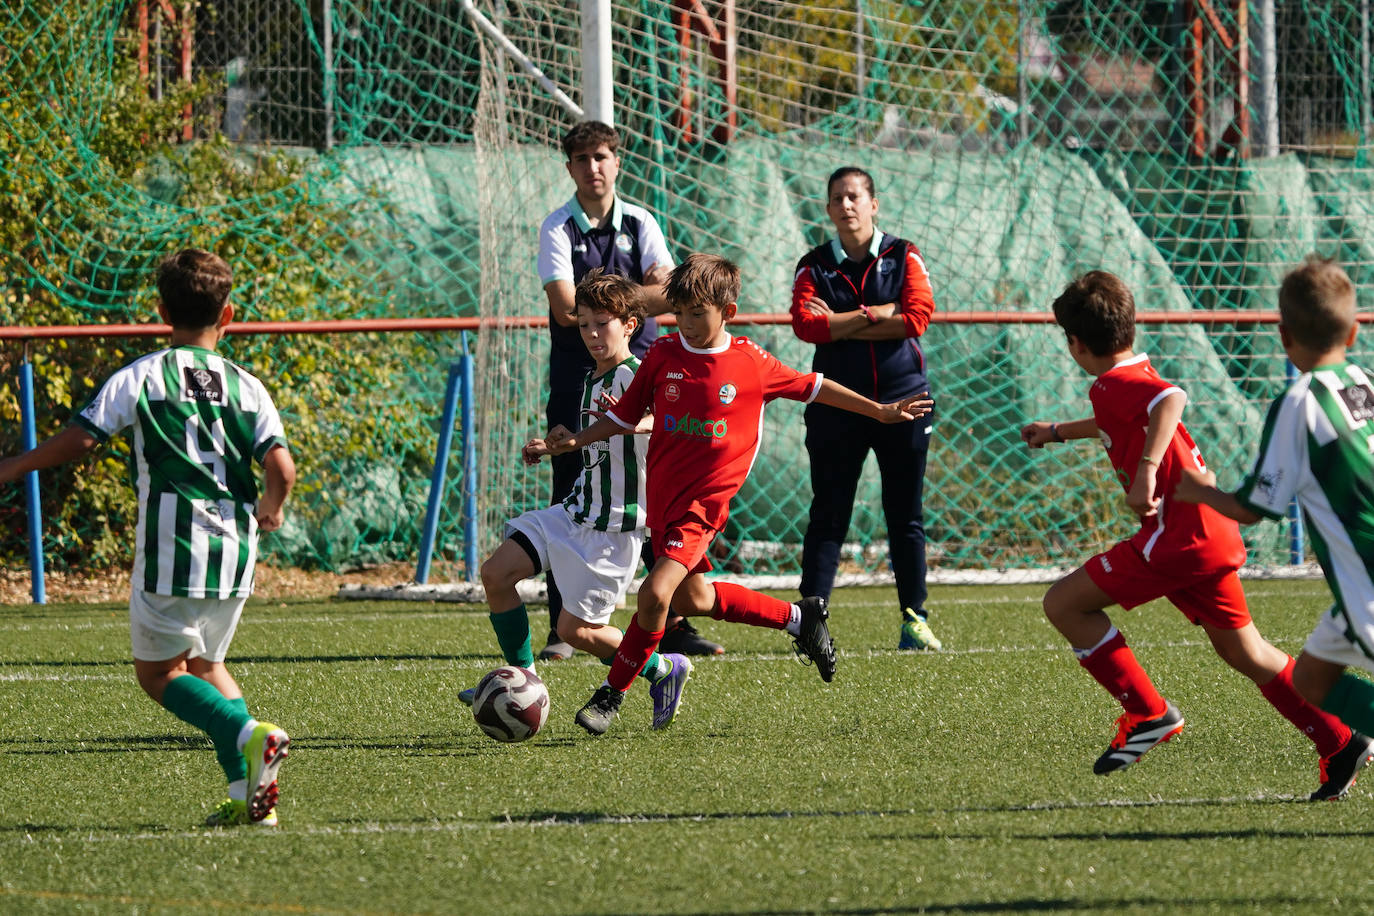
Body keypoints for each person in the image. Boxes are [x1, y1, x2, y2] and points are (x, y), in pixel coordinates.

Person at [531, 253, 932, 735]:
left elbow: (815, 386)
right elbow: (622, 417)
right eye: (679, 313)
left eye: (698, 313)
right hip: (664, 501)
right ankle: (799, 618)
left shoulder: (749, 362)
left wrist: (880, 411)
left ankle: (611, 696)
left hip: (704, 505)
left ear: (729, 311)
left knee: (655, 594)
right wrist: (575, 441)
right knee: (695, 598)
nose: (687, 324)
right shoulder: (662, 356)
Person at [1019, 269, 1371, 800]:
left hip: (1177, 539)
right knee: (1247, 652)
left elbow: (1169, 398)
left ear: (1074, 343)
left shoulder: (1122, 383)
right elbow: (1121, 415)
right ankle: (1339, 739)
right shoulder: (1123, 378)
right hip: (1207, 536)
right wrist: (1058, 432)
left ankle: (1148, 713)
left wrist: (1146, 470)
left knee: (1063, 604)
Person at [0, 249, 295, 825]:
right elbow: (281, 469)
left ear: (161, 310)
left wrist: (13, 466)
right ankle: (247, 800)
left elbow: (82, 439)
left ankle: (247, 733)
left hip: (173, 548)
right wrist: (272, 509)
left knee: (159, 674)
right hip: (235, 552)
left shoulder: (143, 375)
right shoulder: (247, 386)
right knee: (208, 665)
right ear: (228, 314)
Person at [458, 270, 692, 729]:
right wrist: (557, 443)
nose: (591, 334)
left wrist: (633, 422)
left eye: (601, 323)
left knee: (575, 632)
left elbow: (658, 420)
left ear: (630, 325)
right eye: (583, 324)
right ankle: (523, 678)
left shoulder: (636, 375)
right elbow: (595, 440)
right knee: (495, 574)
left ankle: (664, 668)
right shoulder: (591, 379)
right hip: (574, 512)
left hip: (615, 530)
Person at [1174, 255, 1374, 781]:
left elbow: (1254, 508)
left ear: (1283, 335)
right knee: (1311, 679)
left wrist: (1200, 489)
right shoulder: (1365, 381)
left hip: (1368, 588)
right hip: (1354, 592)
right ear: (1354, 332)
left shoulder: (1300, 403)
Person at [537, 119, 722, 660]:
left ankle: (674, 621)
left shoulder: (641, 221)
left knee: (660, 493)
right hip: (577, 383)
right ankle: (560, 628)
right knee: (571, 496)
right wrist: (634, 301)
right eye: (582, 159)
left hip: (649, 380)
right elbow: (567, 309)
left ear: (617, 162)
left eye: (601, 157)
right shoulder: (557, 228)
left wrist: (613, 302)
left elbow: (674, 290)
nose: (593, 168)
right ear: (569, 167)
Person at [790, 166, 940, 652]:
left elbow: (916, 318)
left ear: (874, 204)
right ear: (829, 209)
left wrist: (843, 321)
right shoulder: (813, 265)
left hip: (907, 399)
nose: (846, 205)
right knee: (829, 515)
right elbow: (807, 328)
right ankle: (810, 623)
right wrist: (879, 314)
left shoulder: (905, 254)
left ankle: (914, 620)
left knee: (906, 515)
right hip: (837, 406)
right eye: (837, 198)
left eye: (855, 196)